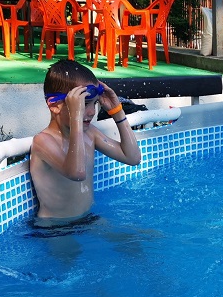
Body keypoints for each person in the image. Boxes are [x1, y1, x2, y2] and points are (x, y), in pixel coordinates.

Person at [30, 59, 141, 222]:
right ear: (54, 105)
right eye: (83, 105)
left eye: (94, 104)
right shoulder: (43, 142)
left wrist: (117, 112)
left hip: (87, 220)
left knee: (146, 236)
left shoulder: (90, 133)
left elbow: (133, 158)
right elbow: (77, 173)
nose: (91, 112)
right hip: (56, 228)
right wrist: (76, 117)